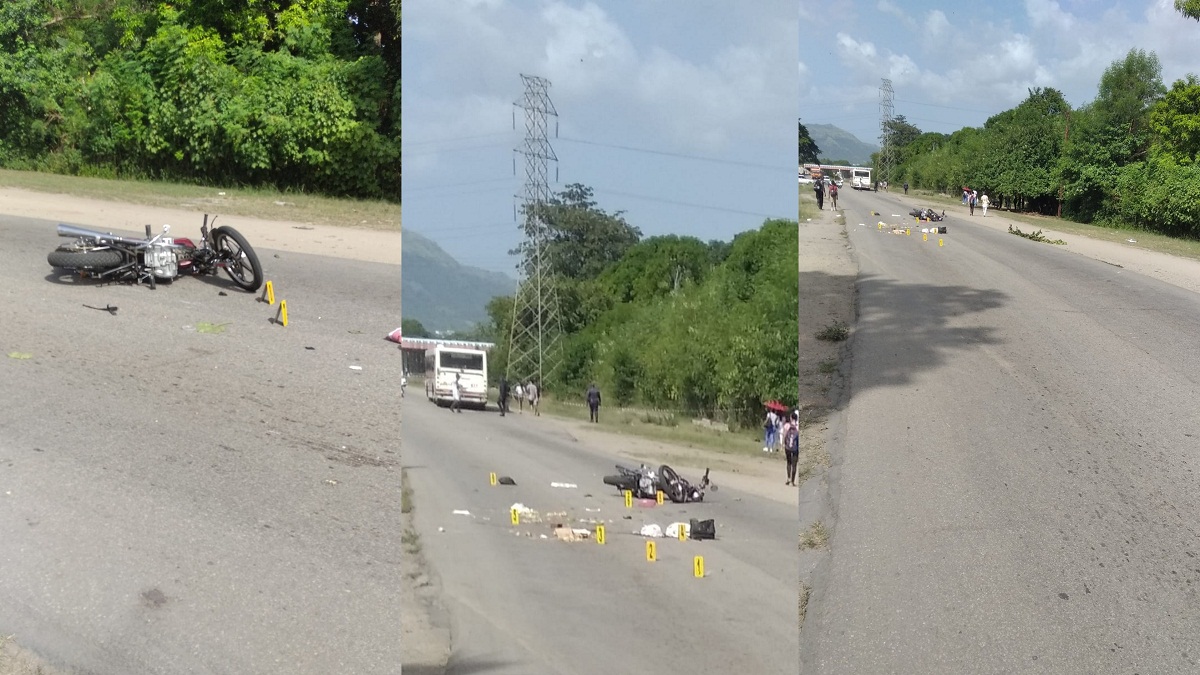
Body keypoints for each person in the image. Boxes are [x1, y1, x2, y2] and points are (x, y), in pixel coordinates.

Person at [784, 412, 801, 485]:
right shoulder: (798, 427)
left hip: (787, 447)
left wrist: (783, 444)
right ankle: (793, 481)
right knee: (794, 464)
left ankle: (788, 478)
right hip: (795, 448)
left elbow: (784, 436)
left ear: (791, 418)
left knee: (788, 463)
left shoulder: (787, 425)